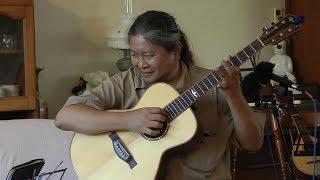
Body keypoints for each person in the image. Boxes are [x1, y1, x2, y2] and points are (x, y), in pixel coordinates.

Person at [55, 10, 265, 180]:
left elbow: (253, 144)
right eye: (134, 55)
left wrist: (235, 95)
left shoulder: (215, 84)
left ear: (175, 51)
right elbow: (65, 117)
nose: (140, 64)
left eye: (149, 55)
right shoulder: (126, 82)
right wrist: (130, 120)